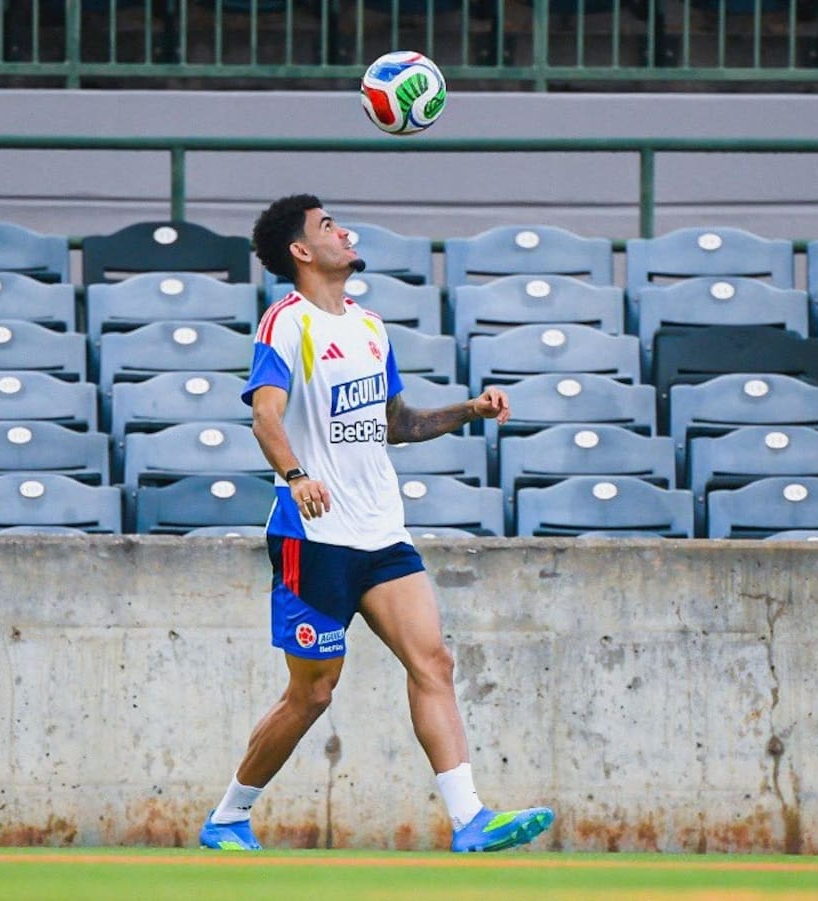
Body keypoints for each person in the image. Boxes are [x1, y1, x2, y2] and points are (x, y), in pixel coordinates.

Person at [199, 194, 554, 854]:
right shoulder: (286, 323)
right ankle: (227, 815)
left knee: (434, 662)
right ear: (302, 252)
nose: (345, 231)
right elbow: (266, 416)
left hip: (383, 534)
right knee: (313, 694)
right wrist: (298, 476)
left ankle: (470, 818)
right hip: (314, 538)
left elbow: (400, 424)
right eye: (328, 226)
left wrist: (470, 409)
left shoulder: (370, 326)